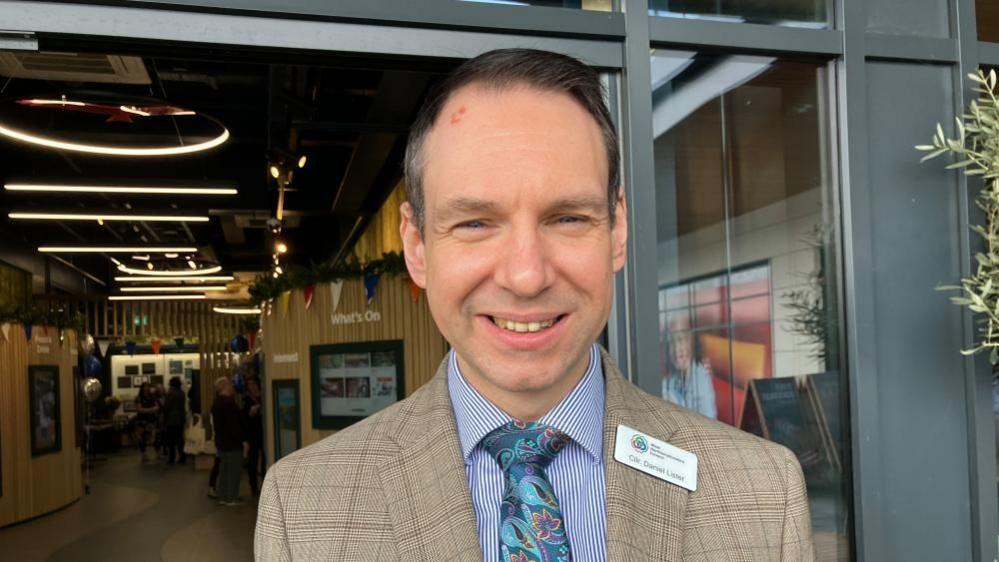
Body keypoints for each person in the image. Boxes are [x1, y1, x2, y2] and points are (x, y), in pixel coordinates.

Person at [256, 48, 814, 561]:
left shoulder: (763, 496)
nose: (526, 276)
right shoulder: (303, 512)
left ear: (617, 229)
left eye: (568, 218)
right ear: (417, 244)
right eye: (475, 222)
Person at [662, 315, 717, 419]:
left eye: (682, 340)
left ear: (692, 342)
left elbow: (708, 424)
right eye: (671, 342)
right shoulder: (669, 381)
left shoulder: (701, 377)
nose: (677, 348)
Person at [211, 376, 248, 506]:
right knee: (234, 471)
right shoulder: (229, 404)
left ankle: (223, 496)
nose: (232, 387)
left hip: (221, 442)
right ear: (224, 387)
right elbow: (234, 426)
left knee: (224, 470)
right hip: (233, 444)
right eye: (230, 385)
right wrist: (244, 441)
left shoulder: (216, 403)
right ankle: (232, 498)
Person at [242, 377, 266, 496]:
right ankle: (254, 487)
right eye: (250, 384)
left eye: (254, 384)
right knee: (253, 460)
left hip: (264, 433)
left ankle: (265, 484)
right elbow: (244, 419)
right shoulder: (246, 400)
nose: (252, 386)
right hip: (252, 433)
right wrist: (251, 413)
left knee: (265, 459)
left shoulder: (264, 397)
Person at [162, 376, 187, 464]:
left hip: (171, 420)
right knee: (180, 439)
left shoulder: (170, 393)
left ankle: (172, 458)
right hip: (180, 418)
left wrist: (164, 420)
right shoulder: (182, 393)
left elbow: (167, 407)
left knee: (171, 440)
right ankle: (182, 457)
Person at [133, 382, 159, 462]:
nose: (147, 388)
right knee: (142, 438)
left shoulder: (152, 397)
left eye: (148, 387)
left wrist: (151, 410)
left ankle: (158, 453)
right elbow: (139, 409)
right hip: (142, 420)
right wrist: (151, 410)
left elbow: (157, 406)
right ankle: (143, 454)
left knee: (155, 437)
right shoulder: (138, 398)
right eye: (145, 387)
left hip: (152, 420)